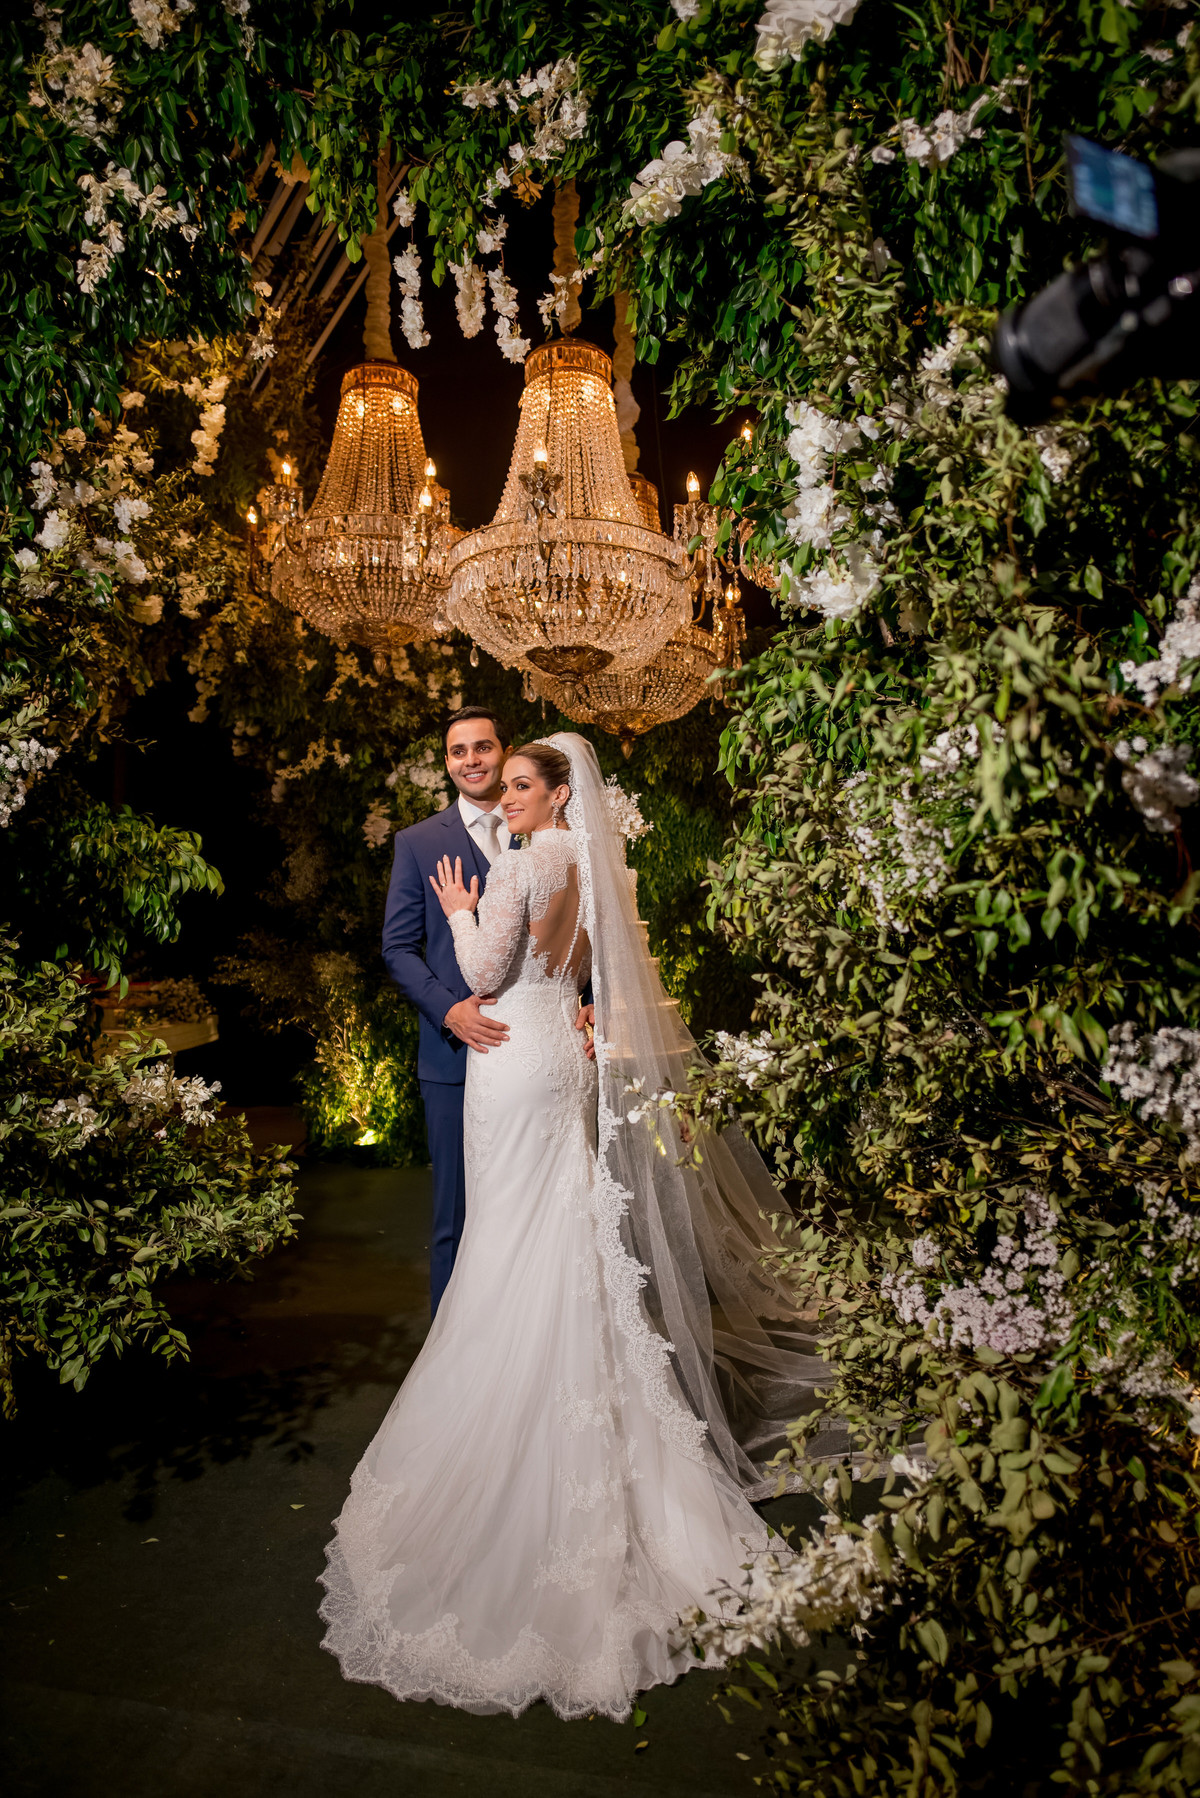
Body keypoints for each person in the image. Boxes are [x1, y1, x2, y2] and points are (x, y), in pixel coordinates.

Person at [322, 734, 835, 1721]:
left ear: (558, 793)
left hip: (513, 1059)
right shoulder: (597, 866)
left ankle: (512, 1412)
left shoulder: (524, 862)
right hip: (560, 1055)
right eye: (503, 783)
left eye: (522, 783)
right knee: (558, 1227)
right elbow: (584, 967)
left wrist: (463, 908)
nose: (507, 796)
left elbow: (483, 965)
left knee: (509, 1232)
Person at [381, 706, 594, 1314]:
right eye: (458, 751)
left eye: (482, 748)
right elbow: (397, 948)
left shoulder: (548, 840)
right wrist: (450, 1011)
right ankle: (456, 1351)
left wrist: (594, 1002)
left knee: (550, 1208)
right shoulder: (420, 843)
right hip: (455, 1056)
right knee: (457, 1218)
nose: (471, 760)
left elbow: (595, 938)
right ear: (447, 763)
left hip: (541, 1053)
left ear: (503, 753)